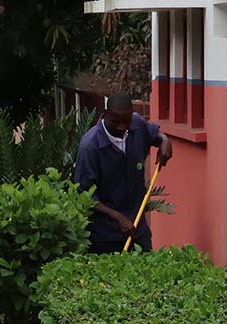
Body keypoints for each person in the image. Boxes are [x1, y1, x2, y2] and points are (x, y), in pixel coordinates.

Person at [73, 94, 172, 254]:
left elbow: (156, 134)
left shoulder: (137, 124)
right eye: (116, 122)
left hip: (138, 228)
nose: (122, 127)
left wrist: (165, 141)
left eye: (127, 122)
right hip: (105, 237)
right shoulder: (90, 147)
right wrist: (118, 217)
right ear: (104, 113)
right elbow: (84, 195)